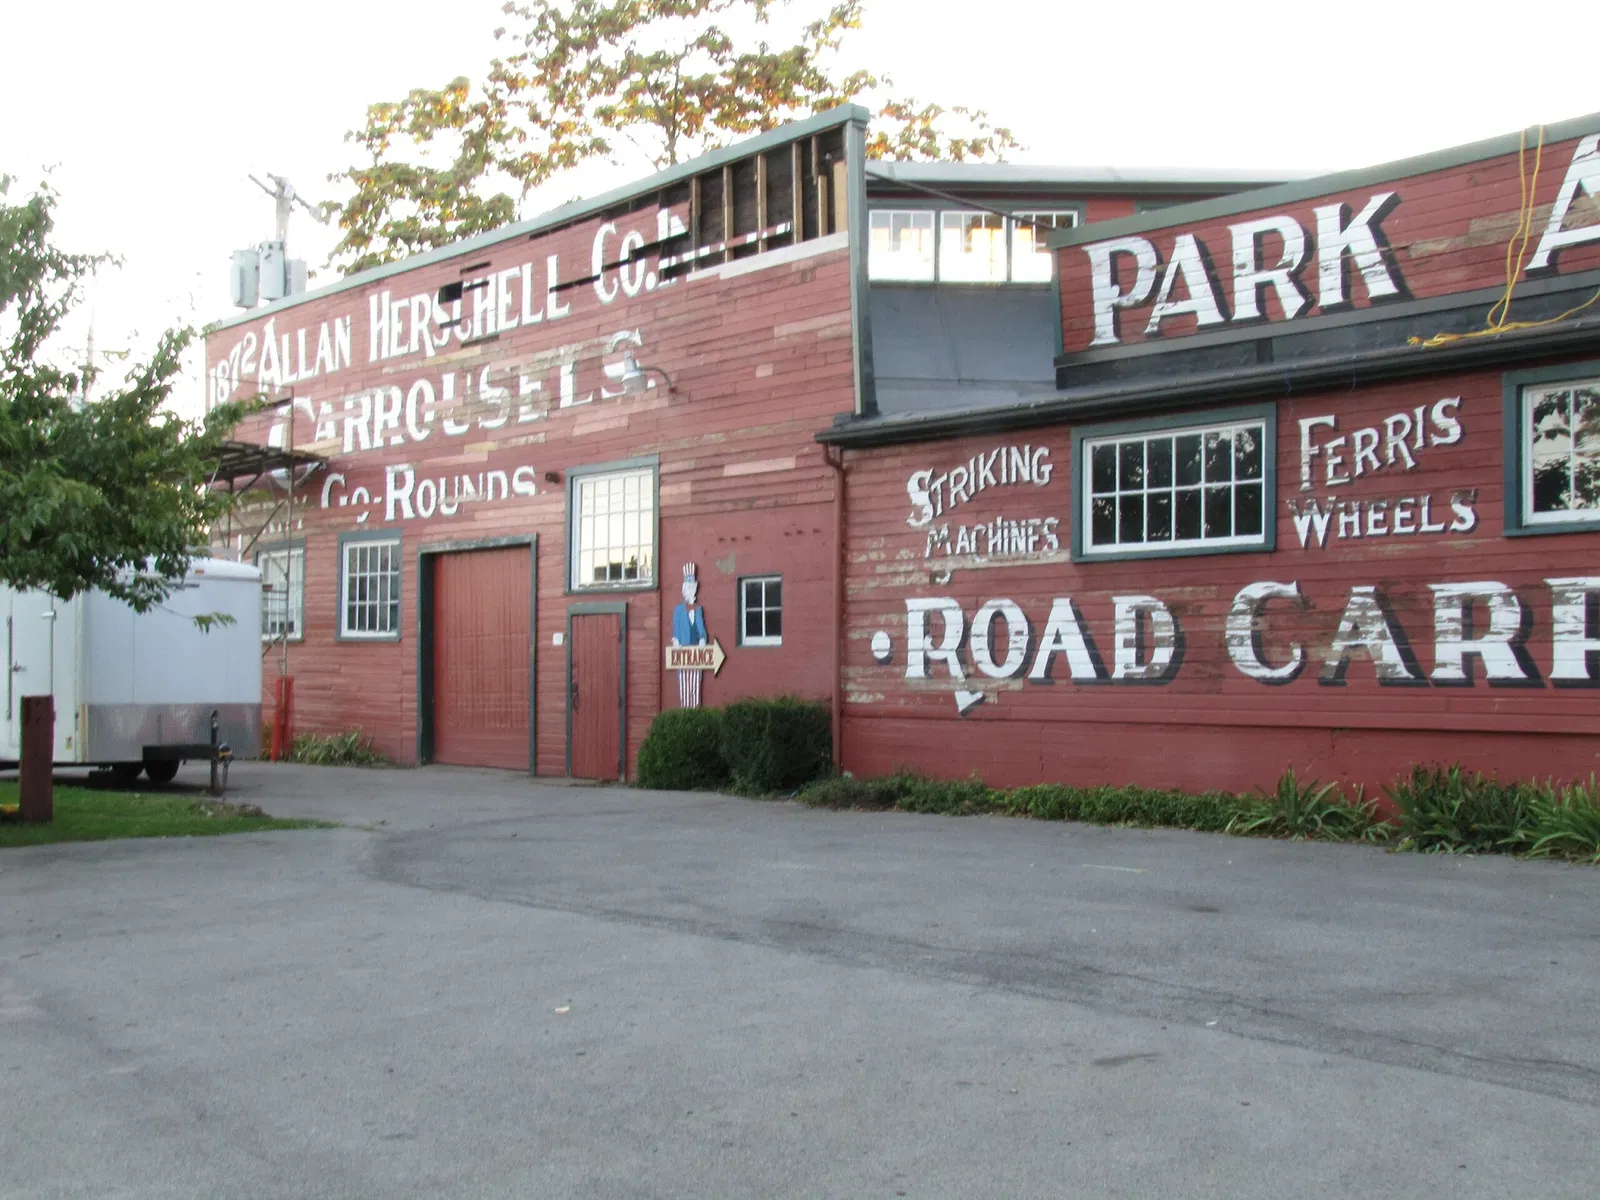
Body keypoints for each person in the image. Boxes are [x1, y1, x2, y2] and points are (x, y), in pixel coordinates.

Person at [671, 563, 708, 707]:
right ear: (683, 589)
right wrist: (676, 641)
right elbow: (675, 630)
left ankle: (695, 709)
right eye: (688, 587)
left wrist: (703, 639)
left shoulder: (698, 609)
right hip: (683, 651)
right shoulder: (678, 610)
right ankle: (685, 710)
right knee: (684, 684)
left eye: (693, 587)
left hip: (696, 653)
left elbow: (701, 629)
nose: (691, 590)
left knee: (695, 683)